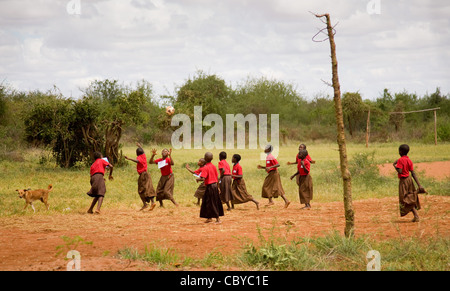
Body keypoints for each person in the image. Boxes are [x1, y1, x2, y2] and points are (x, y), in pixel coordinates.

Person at [393, 144, 426, 222]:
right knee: (409, 197)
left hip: (403, 181)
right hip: (409, 180)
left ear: (400, 151)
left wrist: (394, 165)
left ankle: (416, 215)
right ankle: (416, 215)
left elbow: (400, 171)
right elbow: (413, 173)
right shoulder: (409, 160)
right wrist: (419, 185)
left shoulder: (400, 160)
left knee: (405, 199)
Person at [125, 143, 156, 211]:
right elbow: (143, 151)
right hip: (147, 174)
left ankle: (145, 204)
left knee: (141, 190)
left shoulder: (139, 157)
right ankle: (152, 202)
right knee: (149, 188)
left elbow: (137, 161)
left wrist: (129, 158)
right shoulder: (143, 155)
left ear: (137, 153)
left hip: (142, 175)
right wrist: (140, 146)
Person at [196, 152, 224, 224]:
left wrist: (198, 179)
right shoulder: (213, 166)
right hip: (214, 185)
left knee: (212, 202)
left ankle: (218, 219)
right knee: (207, 201)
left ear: (205, 158)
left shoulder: (205, 167)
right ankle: (209, 218)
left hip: (210, 186)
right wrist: (218, 187)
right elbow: (217, 177)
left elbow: (203, 178)